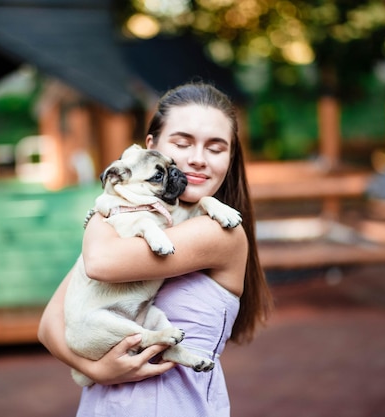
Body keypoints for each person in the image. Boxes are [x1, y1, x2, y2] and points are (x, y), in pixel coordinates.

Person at [38, 81, 273, 416]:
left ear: (232, 157)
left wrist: (100, 212)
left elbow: (100, 262)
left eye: (216, 148)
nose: (197, 159)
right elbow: (49, 324)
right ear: (152, 147)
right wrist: (96, 370)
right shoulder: (129, 222)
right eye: (182, 142)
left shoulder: (221, 233)